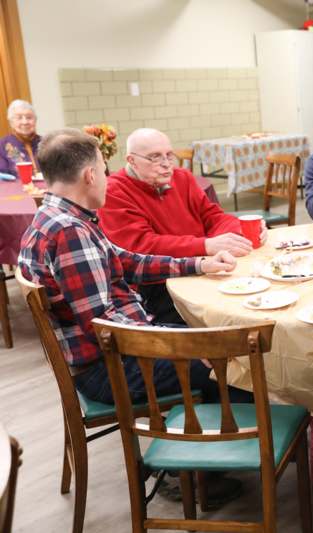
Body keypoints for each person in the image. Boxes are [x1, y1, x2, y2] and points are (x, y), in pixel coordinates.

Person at [17, 129, 249, 406]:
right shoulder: (69, 232)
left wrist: (200, 263)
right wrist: (179, 344)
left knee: (215, 343)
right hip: (109, 369)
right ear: (90, 176)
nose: (107, 179)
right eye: (104, 172)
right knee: (234, 364)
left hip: (120, 348)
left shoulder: (55, 215)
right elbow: (101, 326)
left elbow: (128, 261)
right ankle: (244, 439)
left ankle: (216, 427)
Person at [98, 128, 267, 324]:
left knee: (257, 292)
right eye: (154, 157)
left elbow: (213, 217)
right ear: (131, 160)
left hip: (203, 267)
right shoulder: (114, 191)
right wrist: (206, 245)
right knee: (233, 313)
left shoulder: (182, 178)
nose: (166, 164)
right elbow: (141, 246)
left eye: (169, 155)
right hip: (157, 284)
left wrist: (241, 229)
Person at [0, 100, 40, 178]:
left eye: (29, 118)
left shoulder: (46, 143)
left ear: (35, 120)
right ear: (11, 122)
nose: (25, 122)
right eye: (19, 118)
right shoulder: (2, 145)